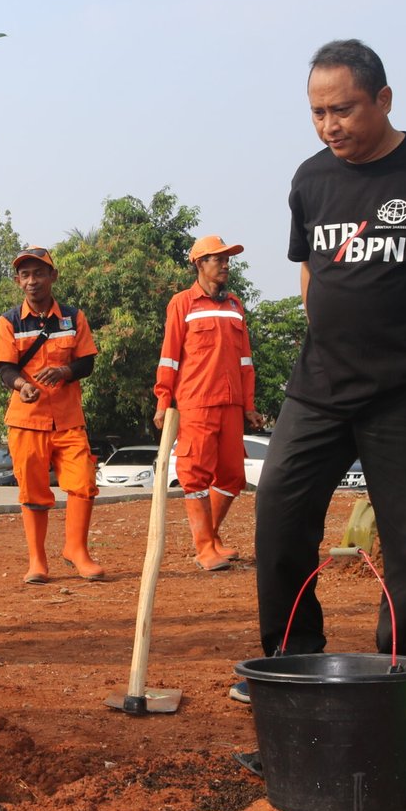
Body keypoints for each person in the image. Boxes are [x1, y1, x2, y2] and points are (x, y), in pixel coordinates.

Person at [245, 40, 406, 716]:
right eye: (317, 112)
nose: (330, 124)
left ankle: (402, 670)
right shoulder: (310, 178)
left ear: (383, 100)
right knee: (279, 510)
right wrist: (327, 323)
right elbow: (309, 264)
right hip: (320, 386)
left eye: (344, 109)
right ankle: (289, 656)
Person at [154, 235, 266, 572]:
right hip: (196, 402)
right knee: (195, 475)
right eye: (219, 259)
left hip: (231, 404)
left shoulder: (235, 306)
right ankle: (204, 548)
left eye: (227, 258)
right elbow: (170, 357)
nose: (226, 264)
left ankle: (212, 538)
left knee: (232, 476)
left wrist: (249, 405)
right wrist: (163, 401)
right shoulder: (183, 303)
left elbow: (245, 360)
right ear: (200, 264)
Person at [0, 245, 101, 584]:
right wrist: (20, 386)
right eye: (25, 275)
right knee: (33, 491)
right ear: (17, 281)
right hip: (27, 421)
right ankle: (37, 562)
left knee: (83, 482)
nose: (32, 281)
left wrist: (64, 372)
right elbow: (5, 368)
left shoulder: (74, 317)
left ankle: (77, 551)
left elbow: (86, 362)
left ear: (52, 276)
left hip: (69, 419)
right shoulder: (8, 321)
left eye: (39, 273)